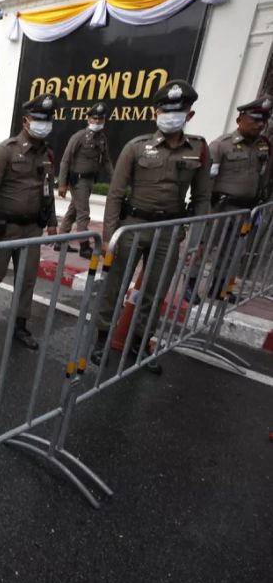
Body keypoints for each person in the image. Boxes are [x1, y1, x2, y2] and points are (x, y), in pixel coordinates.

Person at [91, 80, 211, 370]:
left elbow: (202, 197)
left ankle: (140, 344)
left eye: (178, 110)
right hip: (133, 227)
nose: (171, 115)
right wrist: (109, 237)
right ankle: (101, 340)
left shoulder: (198, 150)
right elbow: (116, 194)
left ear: (189, 114)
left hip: (169, 232)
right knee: (116, 286)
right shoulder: (136, 147)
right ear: (156, 113)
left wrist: (197, 241)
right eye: (165, 110)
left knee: (156, 291)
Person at [0, 94, 59, 350]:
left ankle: (20, 324)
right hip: (5, 227)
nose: (43, 124)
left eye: (48, 119)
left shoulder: (48, 155)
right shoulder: (5, 151)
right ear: (25, 121)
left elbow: (48, 190)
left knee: (27, 277)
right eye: (38, 119)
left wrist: (52, 222)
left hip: (32, 227)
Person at [200, 93, 272, 300]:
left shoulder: (263, 145)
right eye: (255, 120)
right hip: (221, 207)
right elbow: (207, 181)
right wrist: (205, 209)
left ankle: (219, 289)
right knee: (203, 248)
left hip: (246, 209)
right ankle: (191, 285)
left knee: (232, 252)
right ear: (240, 119)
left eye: (263, 120)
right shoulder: (221, 144)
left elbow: (264, 176)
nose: (260, 125)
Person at [55, 102, 114, 258]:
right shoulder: (79, 137)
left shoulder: (102, 138)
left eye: (100, 120)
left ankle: (59, 241)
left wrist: (114, 179)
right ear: (88, 119)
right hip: (78, 181)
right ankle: (84, 246)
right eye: (94, 119)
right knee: (84, 213)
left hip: (89, 181)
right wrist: (62, 184)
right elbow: (65, 160)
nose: (96, 123)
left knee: (73, 211)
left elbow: (106, 160)